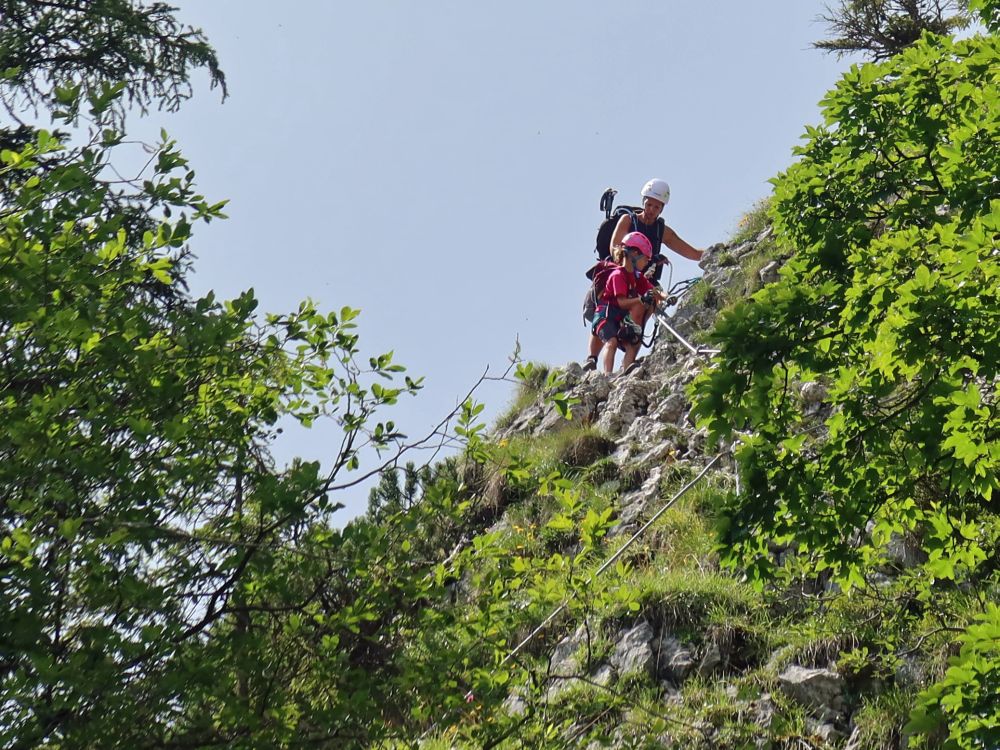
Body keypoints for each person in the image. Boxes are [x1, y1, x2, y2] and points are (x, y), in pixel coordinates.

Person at [583, 178, 704, 370]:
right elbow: (615, 246)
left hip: (643, 282)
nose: (651, 210)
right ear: (643, 202)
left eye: (656, 207)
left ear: (662, 208)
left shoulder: (661, 231)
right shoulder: (627, 220)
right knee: (607, 313)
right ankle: (592, 358)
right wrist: (630, 258)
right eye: (649, 204)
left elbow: (692, 252)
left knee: (641, 315)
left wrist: (712, 254)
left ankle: (627, 362)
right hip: (620, 274)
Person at [590, 232, 665, 375]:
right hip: (605, 316)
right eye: (646, 258)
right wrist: (641, 299)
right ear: (634, 254)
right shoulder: (618, 275)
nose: (647, 262)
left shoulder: (637, 276)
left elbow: (653, 290)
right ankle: (607, 376)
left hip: (618, 319)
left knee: (633, 339)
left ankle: (627, 367)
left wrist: (666, 297)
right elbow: (621, 302)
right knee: (611, 342)